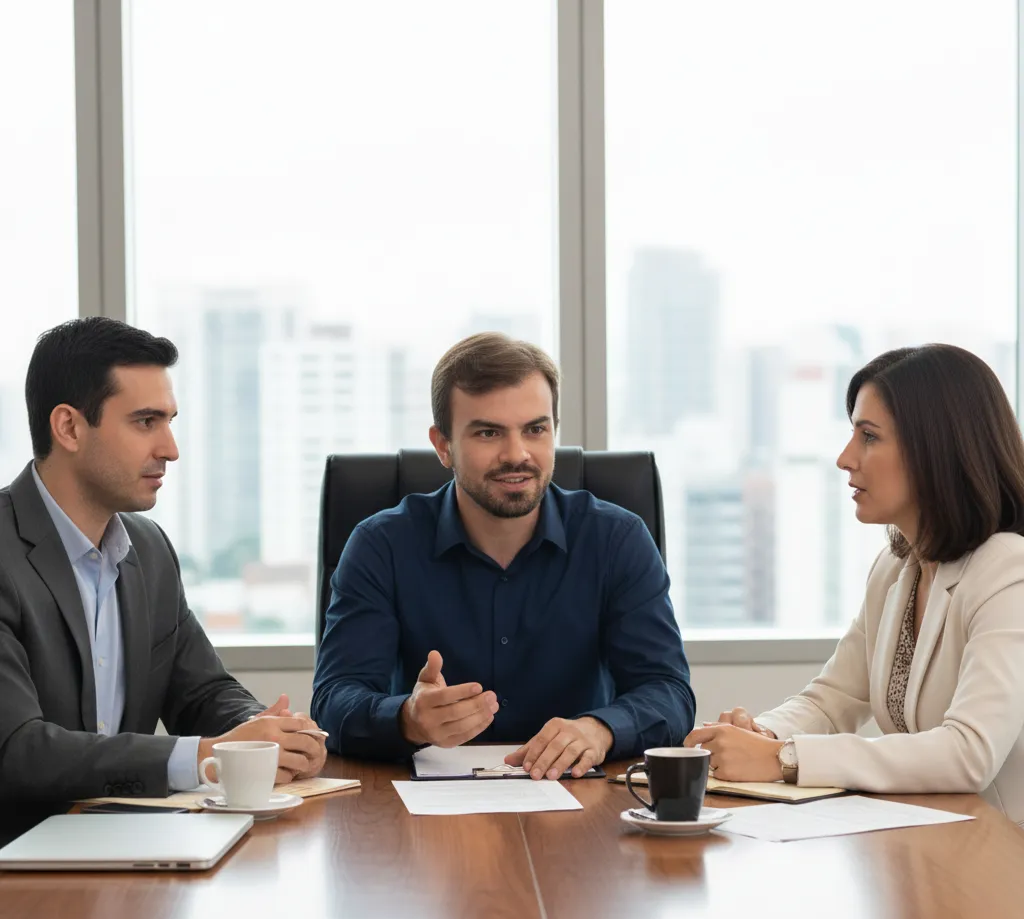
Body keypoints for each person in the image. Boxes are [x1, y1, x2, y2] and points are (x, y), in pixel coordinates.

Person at [312, 332, 694, 779]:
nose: (517, 455)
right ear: (443, 445)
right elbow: (334, 699)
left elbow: (669, 692)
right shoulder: (381, 545)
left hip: (577, 792)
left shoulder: (617, 539)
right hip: (424, 803)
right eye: (488, 433)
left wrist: (600, 730)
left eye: (535, 429)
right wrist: (407, 719)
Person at [685, 344, 1024, 826]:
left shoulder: (1009, 570)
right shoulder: (895, 568)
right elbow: (832, 701)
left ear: (934, 448)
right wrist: (760, 735)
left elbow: (969, 752)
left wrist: (784, 758)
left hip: (1003, 850)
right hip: (929, 839)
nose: (845, 459)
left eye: (869, 437)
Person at [0, 318, 327, 809]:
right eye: (145, 422)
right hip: (21, 849)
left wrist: (268, 735)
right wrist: (203, 758)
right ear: (69, 427)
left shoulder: (148, 548)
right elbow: (18, 750)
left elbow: (201, 693)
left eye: (169, 421)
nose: (170, 450)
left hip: (128, 840)